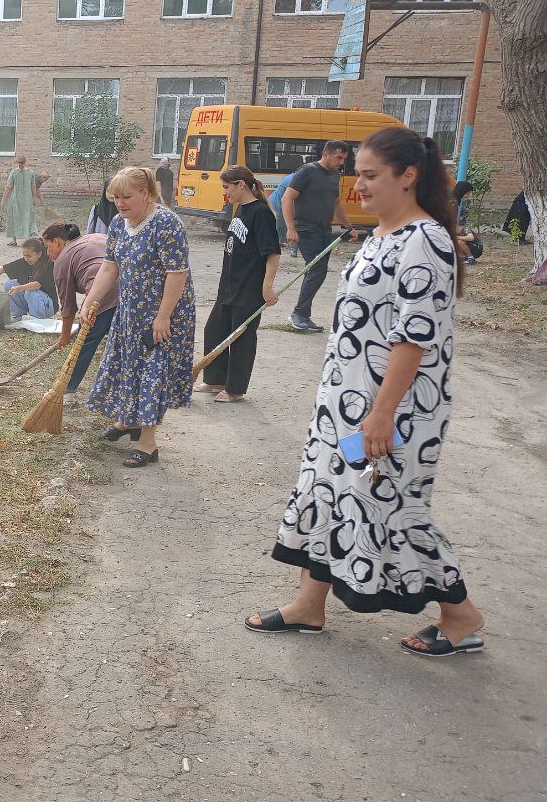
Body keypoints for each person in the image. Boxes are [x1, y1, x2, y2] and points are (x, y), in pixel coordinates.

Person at [246, 126, 486, 658]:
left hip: (394, 413)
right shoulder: (381, 234)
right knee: (334, 490)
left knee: (392, 505)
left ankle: (461, 615)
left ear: (409, 176)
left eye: (372, 175)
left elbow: (413, 339)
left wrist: (381, 414)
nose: (358, 184)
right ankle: (309, 605)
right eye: (357, 173)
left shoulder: (425, 240)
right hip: (349, 406)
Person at [83, 167, 195, 468]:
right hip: (131, 309)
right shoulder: (119, 224)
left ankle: (148, 443)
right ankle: (126, 421)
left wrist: (163, 317)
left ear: (147, 193)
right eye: (115, 197)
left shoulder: (167, 223)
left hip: (164, 313)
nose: (120, 203)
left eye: (127, 197)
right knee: (127, 363)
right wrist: (90, 302)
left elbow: (177, 272)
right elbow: (109, 268)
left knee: (152, 371)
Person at [195, 166, 281, 402]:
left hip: (249, 288)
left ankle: (235, 389)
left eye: (226, 187)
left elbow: (272, 253)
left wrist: (267, 286)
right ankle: (215, 379)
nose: (225, 193)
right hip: (229, 285)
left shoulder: (261, 213)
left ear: (240, 184)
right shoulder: (239, 210)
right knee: (214, 330)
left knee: (241, 339)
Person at [282, 140, 359, 333]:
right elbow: (287, 198)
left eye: (344, 158)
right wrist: (291, 228)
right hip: (306, 229)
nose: (342, 162)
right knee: (317, 270)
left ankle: (303, 315)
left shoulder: (334, 175)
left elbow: (336, 203)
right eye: (339, 157)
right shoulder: (307, 171)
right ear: (326, 154)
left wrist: (349, 226)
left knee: (318, 271)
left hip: (325, 230)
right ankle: (298, 314)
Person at [43, 222, 115, 404]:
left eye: (47, 247)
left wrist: (65, 336)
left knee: (85, 342)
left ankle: (67, 390)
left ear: (57, 241)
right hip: (131, 290)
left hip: (103, 293)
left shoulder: (62, 260)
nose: (47, 253)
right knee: (120, 343)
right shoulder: (95, 236)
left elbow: (68, 307)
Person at [0, 237, 58, 320]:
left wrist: (19, 288)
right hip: (31, 302)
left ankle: (38, 319)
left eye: (29, 256)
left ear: (39, 254)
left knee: (30, 292)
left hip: (48, 306)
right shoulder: (24, 261)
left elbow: (37, 285)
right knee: (9, 284)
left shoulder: (48, 264)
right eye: (24, 255)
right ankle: (18, 315)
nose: (26, 259)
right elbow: (3, 268)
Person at [1, 154, 41, 246]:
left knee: (14, 218)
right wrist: (34, 198)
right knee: (28, 217)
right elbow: (33, 187)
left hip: (16, 200)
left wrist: (3, 200)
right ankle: (27, 240)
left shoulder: (14, 172)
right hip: (27, 200)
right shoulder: (30, 172)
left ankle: (15, 240)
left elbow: (8, 187)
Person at [268, 170, 298, 256]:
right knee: (284, 224)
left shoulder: (291, 176)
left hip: (276, 201)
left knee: (278, 225)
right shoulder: (294, 179)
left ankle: (285, 246)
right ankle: (290, 249)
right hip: (278, 203)